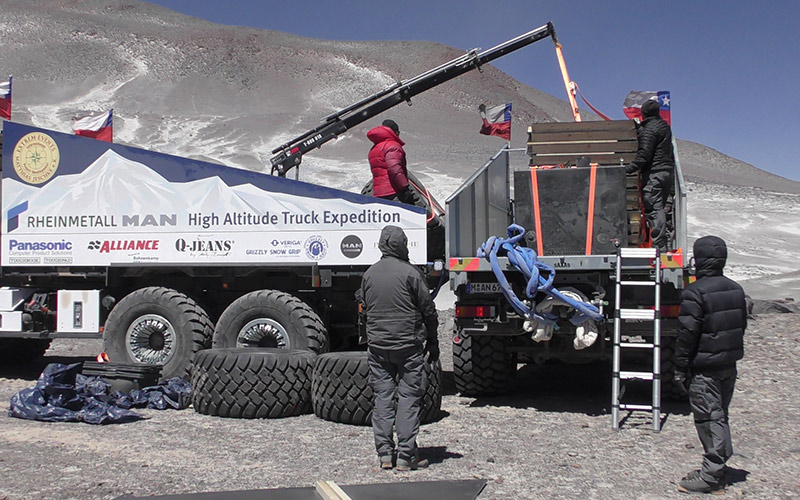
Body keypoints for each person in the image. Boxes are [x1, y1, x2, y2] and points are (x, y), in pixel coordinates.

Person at [359, 225, 439, 471]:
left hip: (378, 347)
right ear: (402, 245)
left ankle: (384, 454)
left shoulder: (369, 275)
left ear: (382, 245)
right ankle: (406, 456)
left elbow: (363, 311)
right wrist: (433, 341)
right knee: (408, 398)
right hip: (408, 346)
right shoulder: (411, 273)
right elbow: (428, 310)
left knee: (382, 398)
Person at [674, 235, 747, 493]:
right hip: (729, 364)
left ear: (699, 259)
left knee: (708, 418)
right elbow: (741, 325)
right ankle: (717, 466)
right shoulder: (736, 289)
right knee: (720, 415)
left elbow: (687, 334)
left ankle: (712, 476)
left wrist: (680, 366)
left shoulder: (695, 292)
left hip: (705, 367)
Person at [626, 98, 676, 252]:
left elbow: (644, 154)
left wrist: (628, 169)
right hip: (666, 172)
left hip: (655, 173)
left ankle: (659, 246)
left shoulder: (650, 129)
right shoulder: (664, 127)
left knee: (654, 208)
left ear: (644, 113)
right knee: (660, 207)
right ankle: (662, 242)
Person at [367, 119, 419, 205]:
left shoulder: (374, 148)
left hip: (378, 193)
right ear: (395, 132)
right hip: (393, 192)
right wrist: (405, 188)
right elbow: (394, 169)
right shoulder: (393, 146)